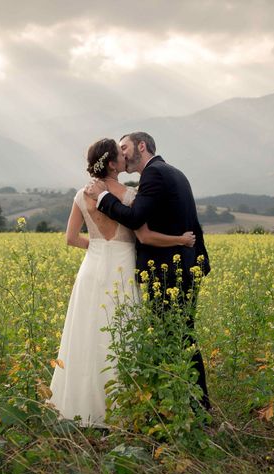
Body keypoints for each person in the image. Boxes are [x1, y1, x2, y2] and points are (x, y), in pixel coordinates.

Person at [49, 138, 196, 428]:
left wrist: (97, 248)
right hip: (123, 267)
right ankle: (122, 410)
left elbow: (69, 238)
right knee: (122, 336)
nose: (125, 158)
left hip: (91, 267)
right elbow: (144, 236)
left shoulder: (82, 195)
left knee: (87, 335)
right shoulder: (130, 195)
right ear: (114, 163)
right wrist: (180, 240)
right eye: (121, 155)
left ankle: (78, 408)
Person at [86, 131, 211, 411]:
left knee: (176, 336)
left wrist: (104, 197)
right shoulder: (173, 172)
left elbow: (135, 218)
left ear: (142, 146)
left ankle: (196, 408)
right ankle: (191, 405)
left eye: (125, 147)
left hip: (170, 272)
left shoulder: (154, 175)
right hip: (182, 266)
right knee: (180, 335)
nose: (122, 154)